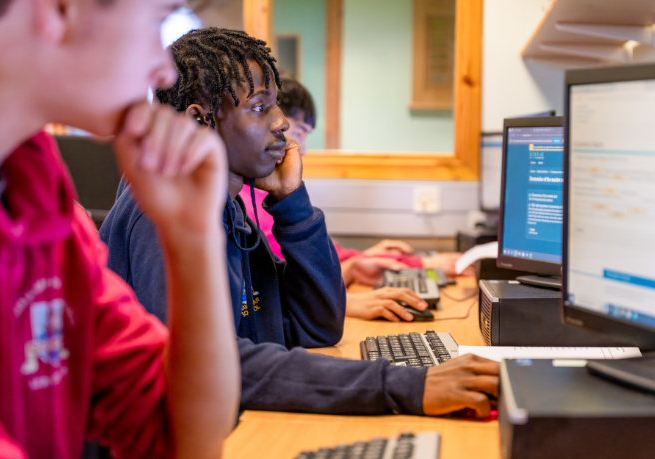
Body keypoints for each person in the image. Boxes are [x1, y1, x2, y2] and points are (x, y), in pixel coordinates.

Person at [101, 27, 499, 419]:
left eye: (276, 106)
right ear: (199, 121)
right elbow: (207, 365)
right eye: (260, 107)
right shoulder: (164, 211)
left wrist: (292, 204)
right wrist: (403, 384)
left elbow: (318, 325)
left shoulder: (231, 212)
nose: (281, 123)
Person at [0, 1, 240, 458]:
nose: (165, 71)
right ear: (60, 11)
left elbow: (181, 437)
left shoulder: (42, 206)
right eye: (157, 21)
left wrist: (193, 237)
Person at [239, 76, 466, 322]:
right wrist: (345, 295)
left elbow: (313, 262)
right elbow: (289, 282)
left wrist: (361, 260)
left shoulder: (263, 193)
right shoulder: (247, 204)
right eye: (300, 132)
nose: (302, 149)